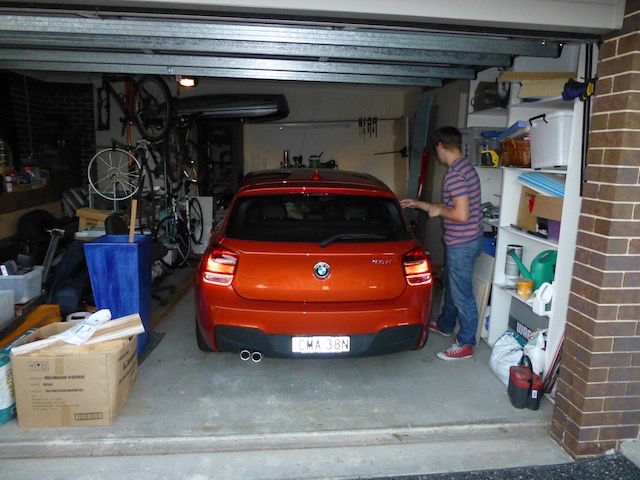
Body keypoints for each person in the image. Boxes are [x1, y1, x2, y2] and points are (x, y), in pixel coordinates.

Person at [400, 126, 483, 361]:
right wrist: (421, 204)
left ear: (440, 146)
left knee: (461, 293)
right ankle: (446, 323)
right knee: (449, 281)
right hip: (470, 238)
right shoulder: (466, 168)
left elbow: (460, 214)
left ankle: (466, 342)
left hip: (462, 242)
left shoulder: (454, 175)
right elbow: (452, 207)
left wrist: (438, 210)